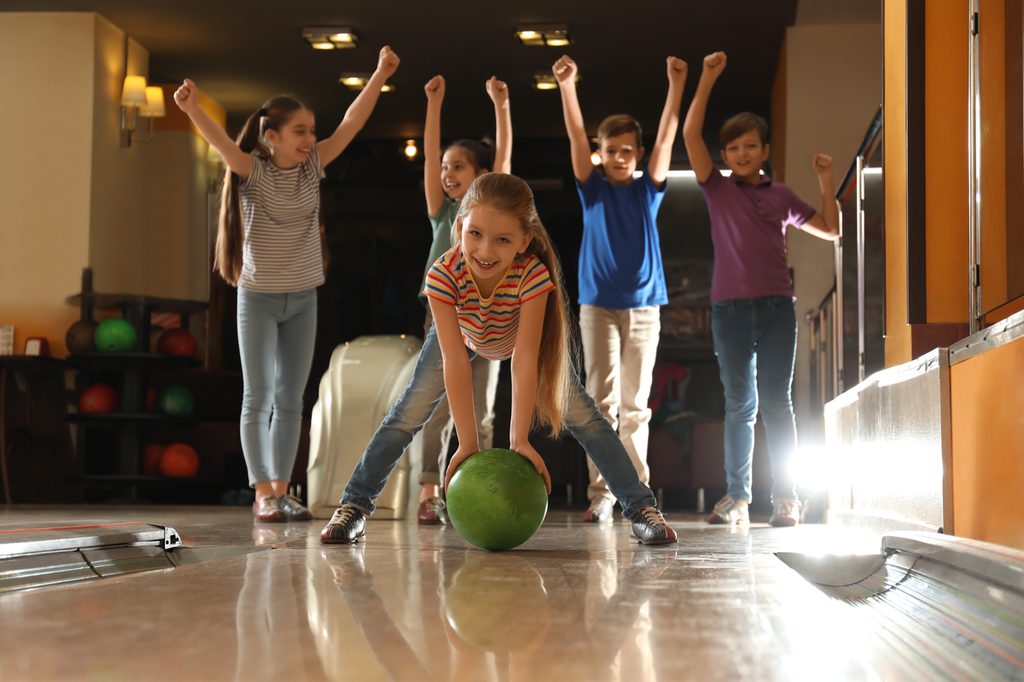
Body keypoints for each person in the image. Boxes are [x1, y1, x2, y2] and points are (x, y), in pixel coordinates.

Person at [320, 173, 677, 546]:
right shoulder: (444, 274)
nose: (485, 251)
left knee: (587, 417)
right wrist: (468, 442)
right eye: (475, 234)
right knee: (407, 413)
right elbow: (455, 361)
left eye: (502, 239)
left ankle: (640, 508)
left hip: (522, 342)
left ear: (525, 241)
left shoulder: (532, 275)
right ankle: (354, 505)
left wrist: (518, 439)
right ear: (459, 227)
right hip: (464, 337)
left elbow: (523, 358)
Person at [173, 46, 400, 523]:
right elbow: (222, 145)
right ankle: (263, 493)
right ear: (270, 136)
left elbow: (352, 124)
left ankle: (282, 489)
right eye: (300, 131)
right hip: (256, 298)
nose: (310, 138)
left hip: (302, 299)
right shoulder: (252, 172)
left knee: (291, 398)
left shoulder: (312, 168)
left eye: (312, 131)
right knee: (258, 396)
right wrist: (193, 107)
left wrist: (379, 74)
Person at [681, 51, 839, 527]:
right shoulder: (716, 189)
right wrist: (707, 78)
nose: (741, 154)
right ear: (724, 155)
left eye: (750, 146)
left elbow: (831, 230)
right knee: (739, 404)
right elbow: (690, 135)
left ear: (764, 150)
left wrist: (826, 180)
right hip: (728, 309)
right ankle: (738, 498)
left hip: (775, 309)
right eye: (732, 149)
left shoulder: (781, 195)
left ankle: (787, 500)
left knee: (776, 402)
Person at [552, 54, 688, 523]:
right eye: (611, 150)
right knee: (601, 402)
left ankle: (637, 493)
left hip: (645, 306)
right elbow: (574, 135)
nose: (619, 158)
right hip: (598, 307)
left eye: (627, 150)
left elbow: (668, 134)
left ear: (637, 152)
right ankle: (603, 492)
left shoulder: (648, 188)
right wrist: (568, 86)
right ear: (601, 153)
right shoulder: (592, 188)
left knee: (635, 405)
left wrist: (676, 84)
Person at [413, 74, 509, 525]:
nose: (448, 174)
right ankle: (430, 492)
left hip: (490, 316)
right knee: (437, 408)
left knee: (482, 411)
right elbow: (429, 156)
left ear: (481, 175)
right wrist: (434, 104)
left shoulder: (488, 213)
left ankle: (477, 489)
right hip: (444, 316)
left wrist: (500, 105)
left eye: (458, 167)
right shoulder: (442, 210)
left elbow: (504, 159)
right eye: (446, 168)